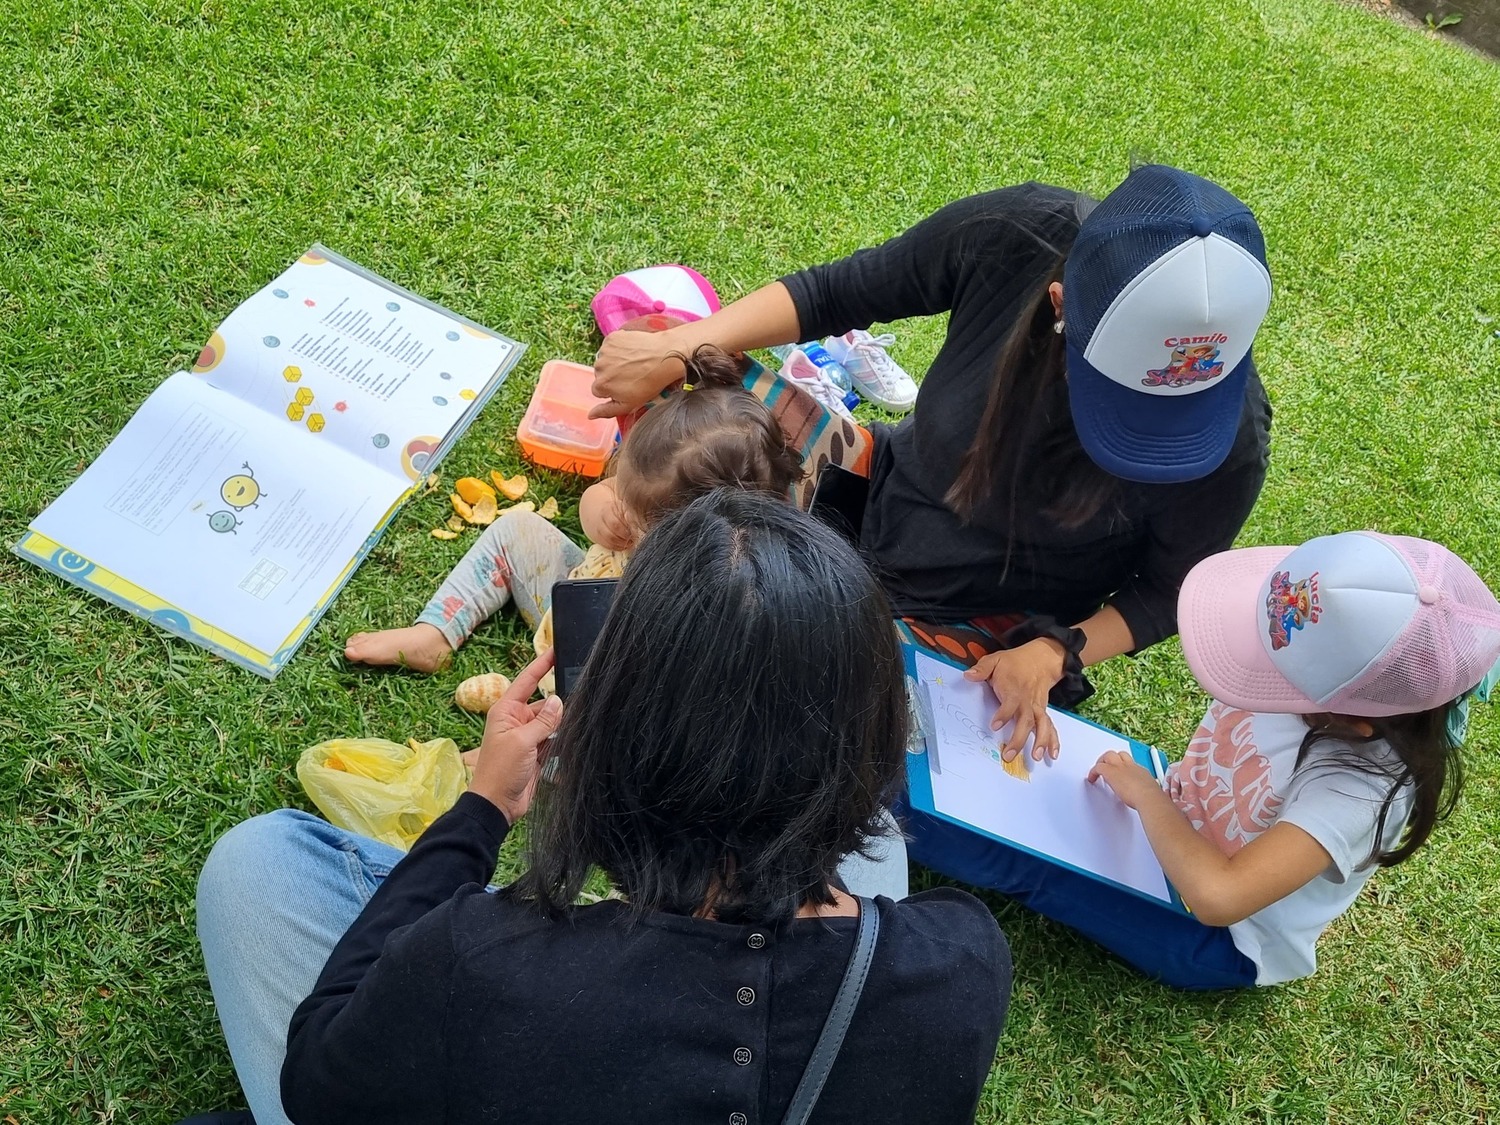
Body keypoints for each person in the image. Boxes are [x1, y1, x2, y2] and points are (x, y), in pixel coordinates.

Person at [189, 491, 1011, 1124]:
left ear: (605, 745)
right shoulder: (964, 960)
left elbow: (319, 1081)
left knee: (259, 861)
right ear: (870, 735)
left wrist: (480, 812)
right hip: (813, 949)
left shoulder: (476, 963)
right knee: (879, 861)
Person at [591, 164, 1274, 761]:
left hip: (990, 629)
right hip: (877, 485)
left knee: (809, 689)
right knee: (695, 407)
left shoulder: (1232, 437)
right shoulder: (1021, 235)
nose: (1135, 435)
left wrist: (1056, 651)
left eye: (1172, 419)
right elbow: (838, 293)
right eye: (1116, 401)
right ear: (1060, 305)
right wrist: (683, 343)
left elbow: (1168, 592)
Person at [949, 530, 1500, 989]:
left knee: (1024, 862)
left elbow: (1219, 897)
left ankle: (907, 817)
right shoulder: (1313, 657)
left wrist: (1145, 797)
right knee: (1039, 786)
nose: (1255, 662)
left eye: (1272, 670)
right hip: (1170, 818)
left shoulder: (1360, 787)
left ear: (1354, 722)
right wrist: (1155, 797)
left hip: (1220, 940)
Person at [344, 345, 803, 677]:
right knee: (518, 528)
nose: (622, 508)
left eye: (636, 513)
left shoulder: (721, 598)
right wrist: (599, 506)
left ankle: (546, 760)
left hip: (613, 672)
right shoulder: (655, 496)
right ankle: (435, 635)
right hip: (573, 599)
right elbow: (599, 505)